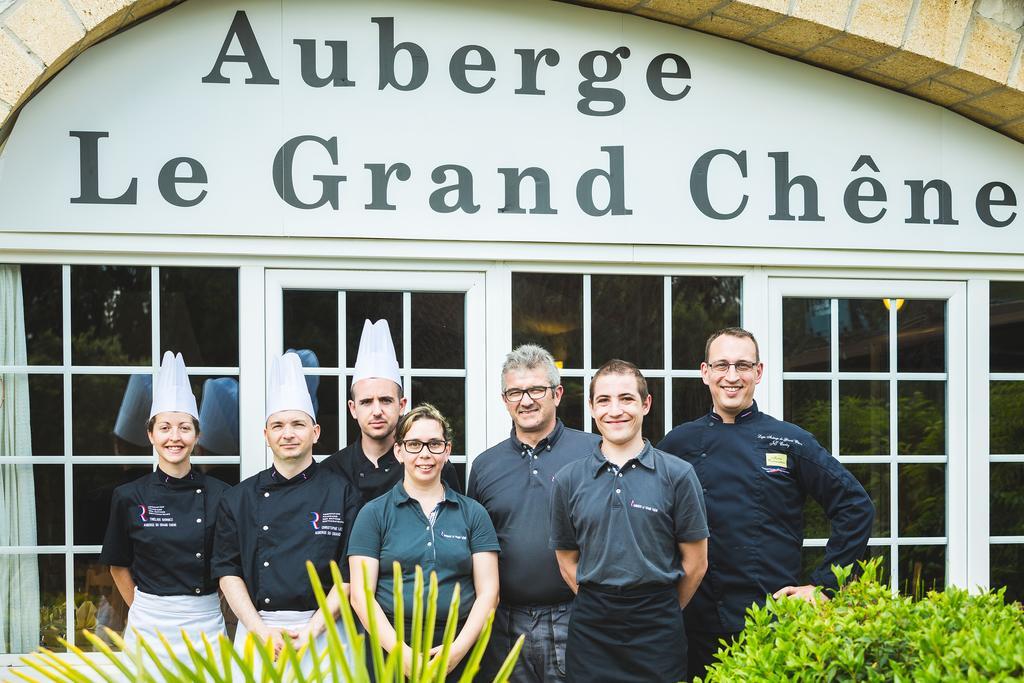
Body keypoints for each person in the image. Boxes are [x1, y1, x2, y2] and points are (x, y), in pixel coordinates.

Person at [657, 327, 874, 681]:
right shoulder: (677, 443)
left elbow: (855, 505)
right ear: (705, 372)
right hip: (691, 623)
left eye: (743, 365)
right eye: (722, 365)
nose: (732, 376)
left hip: (770, 622)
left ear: (758, 372)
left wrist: (823, 586)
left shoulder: (790, 440)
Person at [549, 360, 709, 683]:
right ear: (591, 408)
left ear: (646, 404)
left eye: (627, 399)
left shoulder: (678, 475)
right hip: (592, 627)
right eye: (604, 400)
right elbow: (567, 560)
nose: (615, 410)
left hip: (658, 629)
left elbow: (696, 562)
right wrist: (604, 605)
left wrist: (661, 610)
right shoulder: (568, 480)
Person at [213, 352, 361, 662]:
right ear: (266, 435)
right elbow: (227, 571)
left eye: (298, 424)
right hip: (259, 633)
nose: (288, 433)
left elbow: (349, 576)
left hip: (326, 634)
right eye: (278, 425)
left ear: (315, 432)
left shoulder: (343, 494)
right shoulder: (237, 499)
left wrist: (312, 631)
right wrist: (259, 630)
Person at [469, 344, 599, 682]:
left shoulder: (593, 452)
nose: (525, 401)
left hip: (575, 614)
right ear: (504, 400)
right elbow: (476, 546)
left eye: (536, 390)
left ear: (557, 394)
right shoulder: (485, 466)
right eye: (515, 392)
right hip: (504, 623)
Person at [348, 404, 500, 678]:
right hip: (389, 643)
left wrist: (455, 653)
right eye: (415, 444)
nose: (425, 454)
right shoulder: (372, 514)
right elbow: (361, 596)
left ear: (447, 450)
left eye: (434, 444)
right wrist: (401, 653)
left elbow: (490, 593)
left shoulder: (473, 513)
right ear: (399, 451)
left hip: (460, 643)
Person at [100, 351, 230, 662]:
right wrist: (147, 610)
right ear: (151, 435)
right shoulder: (129, 496)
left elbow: (230, 565)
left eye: (185, 428)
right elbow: (118, 565)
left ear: (197, 436)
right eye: (165, 428)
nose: (175, 437)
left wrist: (205, 604)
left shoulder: (222, 495)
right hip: (149, 628)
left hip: (205, 626)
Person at [322, 319, 460, 506]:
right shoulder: (332, 470)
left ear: (402, 405)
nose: (377, 411)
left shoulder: (431, 465)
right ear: (353, 409)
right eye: (366, 402)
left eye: (386, 400)